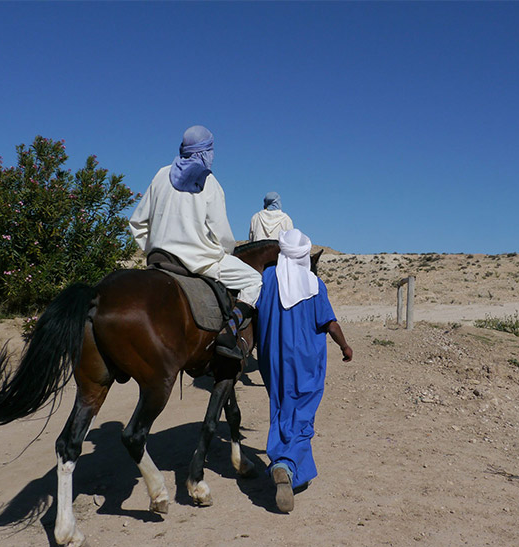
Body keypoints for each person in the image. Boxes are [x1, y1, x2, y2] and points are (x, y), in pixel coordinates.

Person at [129, 125, 261, 360]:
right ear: (206, 151)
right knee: (254, 280)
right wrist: (223, 252)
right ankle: (229, 332)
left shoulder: (161, 174)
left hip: (159, 257)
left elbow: (137, 222)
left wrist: (152, 248)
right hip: (198, 261)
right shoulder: (210, 182)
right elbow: (222, 235)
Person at [254, 228, 353, 513]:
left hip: (273, 358)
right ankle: (286, 465)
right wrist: (345, 347)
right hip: (307, 361)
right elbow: (330, 324)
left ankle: (288, 465)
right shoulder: (313, 284)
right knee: (303, 412)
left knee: (282, 408)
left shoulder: (267, 279)